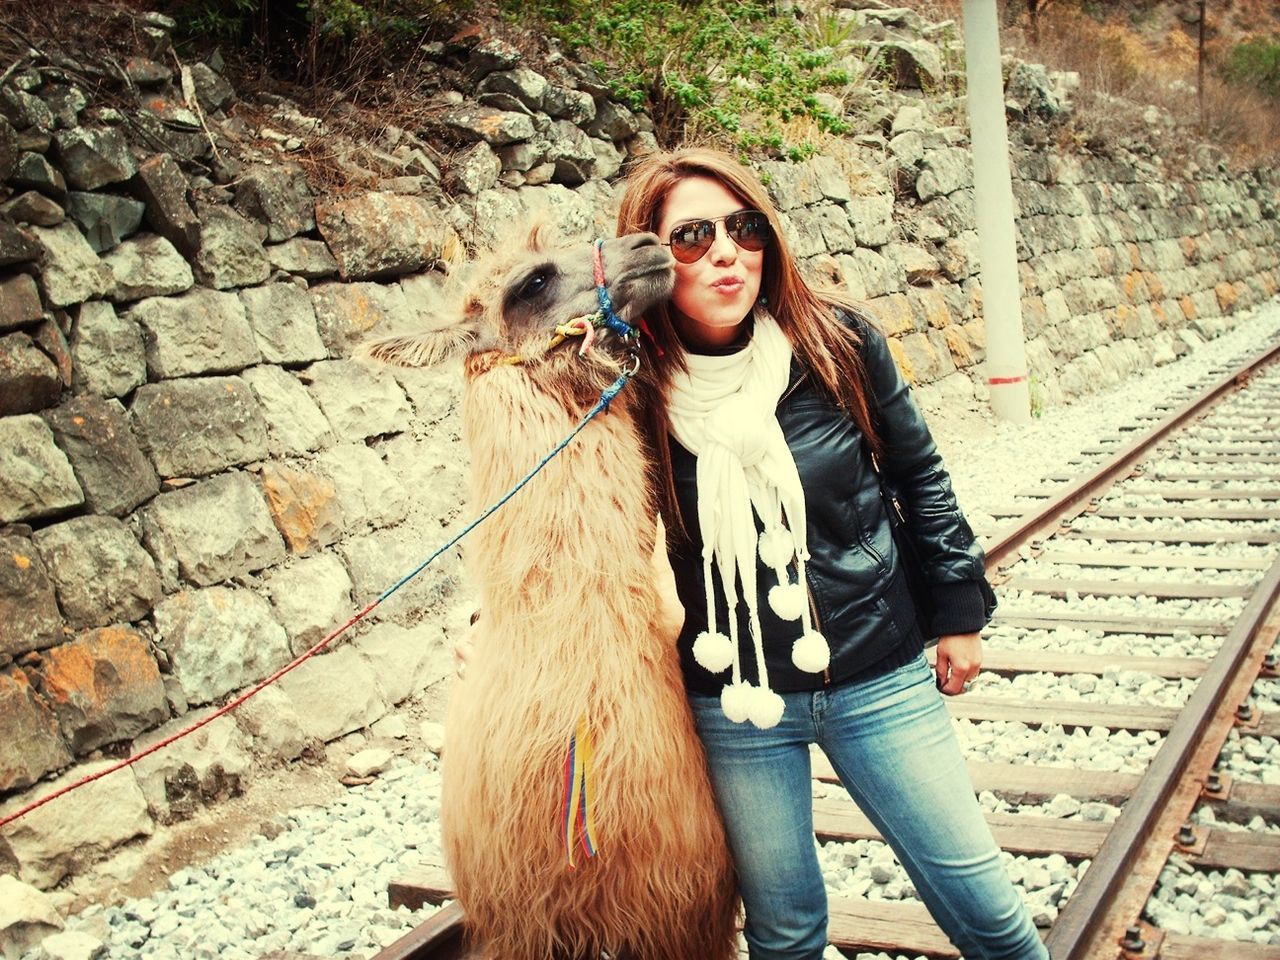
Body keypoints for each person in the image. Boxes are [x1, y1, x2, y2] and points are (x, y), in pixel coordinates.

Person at [614, 147, 1050, 960]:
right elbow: (581, 527)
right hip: (736, 701)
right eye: (692, 235)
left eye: (743, 228)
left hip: (877, 672)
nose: (725, 252)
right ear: (649, 260)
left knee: (984, 907)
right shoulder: (628, 390)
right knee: (785, 931)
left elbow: (919, 474)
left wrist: (959, 612)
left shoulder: (835, 342)